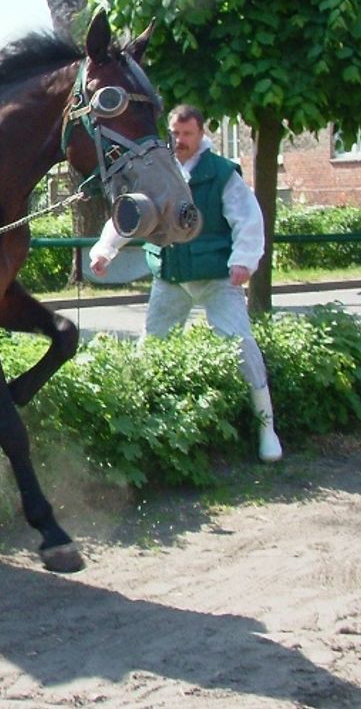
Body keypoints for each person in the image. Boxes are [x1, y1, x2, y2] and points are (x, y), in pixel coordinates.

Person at [89, 104, 282, 463]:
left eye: (187, 134)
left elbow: (248, 219)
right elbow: (129, 212)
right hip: (171, 277)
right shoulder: (158, 173)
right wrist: (104, 251)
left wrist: (244, 260)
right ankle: (141, 425)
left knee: (241, 345)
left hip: (216, 279)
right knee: (151, 348)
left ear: (201, 133)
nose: (180, 141)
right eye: (175, 134)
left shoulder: (222, 173)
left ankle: (266, 428)